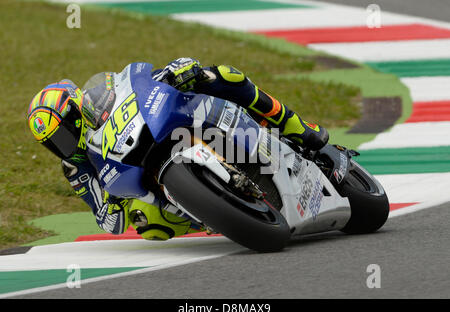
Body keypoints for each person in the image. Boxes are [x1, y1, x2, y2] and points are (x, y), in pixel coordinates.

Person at [26, 57, 329, 240]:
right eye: (53, 143)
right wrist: (113, 202)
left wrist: (174, 70)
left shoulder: (101, 95)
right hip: (142, 181)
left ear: (77, 111)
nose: (62, 145)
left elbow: (137, 83)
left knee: (220, 74)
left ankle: (295, 126)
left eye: (63, 132)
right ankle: (216, 216)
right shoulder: (75, 167)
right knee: (148, 225)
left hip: (160, 124)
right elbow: (109, 223)